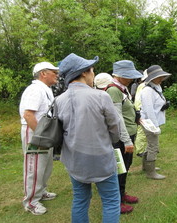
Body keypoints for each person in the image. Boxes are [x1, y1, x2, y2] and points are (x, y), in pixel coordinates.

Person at [57, 53, 121, 223]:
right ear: (84, 72)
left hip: (74, 159)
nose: (93, 74)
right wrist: (113, 141)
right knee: (111, 201)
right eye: (92, 70)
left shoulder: (58, 100)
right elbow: (115, 127)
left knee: (80, 199)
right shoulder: (101, 96)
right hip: (101, 158)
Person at [19, 62, 59, 215]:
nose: (56, 75)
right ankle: (31, 202)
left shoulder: (44, 89)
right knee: (34, 167)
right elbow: (28, 115)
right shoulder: (35, 89)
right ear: (43, 73)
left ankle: (40, 191)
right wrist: (40, 135)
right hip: (35, 132)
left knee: (45, 165)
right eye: (53, 72)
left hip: (43, 131)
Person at [106, 60, 142, 214]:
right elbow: (117, 118)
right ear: (119, 75)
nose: (131, 79)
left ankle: (122, 193)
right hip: (121, 138)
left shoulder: (122, 89)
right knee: (119, 169)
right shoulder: (113, 90)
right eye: (128, 76)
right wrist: (127, 141)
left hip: (129, 133)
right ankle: (117, 201)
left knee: (125, 168)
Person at [140, 65, 171, 180]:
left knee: (150, 144)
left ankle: (146, 167)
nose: (161, 78)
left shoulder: (155, 88)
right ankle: (150, 172)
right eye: (158, 76)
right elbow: (149, 110)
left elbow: (155, 106)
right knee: (153, 145)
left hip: (150, 121)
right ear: (151, 78)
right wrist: (154, 127)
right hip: (149, 123)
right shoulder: (148, 91)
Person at [133, 70, 148, 157]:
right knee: (142, 132)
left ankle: (144, 149)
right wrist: (139, 110)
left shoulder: (146, 85)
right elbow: (138, 100)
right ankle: (140, 150)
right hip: (142, 111)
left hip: (145, 111)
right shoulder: (143, 86)